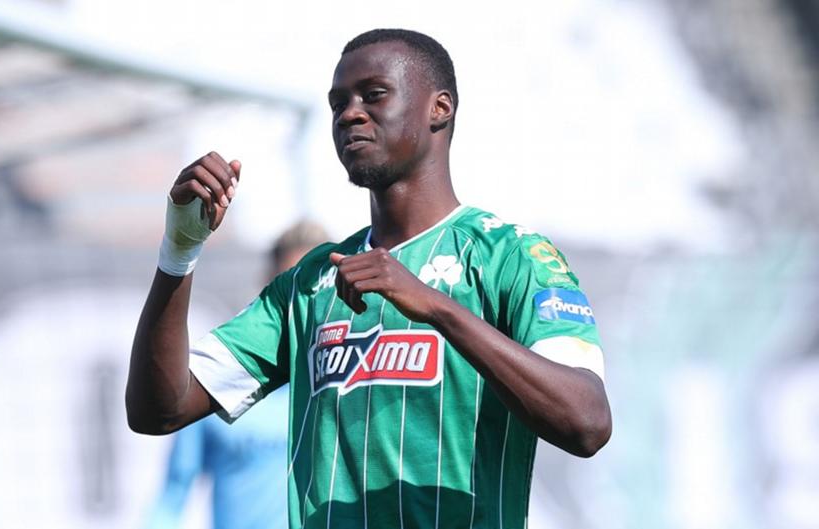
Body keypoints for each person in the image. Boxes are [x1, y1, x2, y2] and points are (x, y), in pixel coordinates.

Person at [127, 28, 612, 529]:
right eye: (338, 103)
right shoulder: (311, 281)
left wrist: (435, 306)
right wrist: (179, 252)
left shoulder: (512, 256)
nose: (349, 114)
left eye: (374, 95)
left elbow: (587, 422)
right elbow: (158, 411)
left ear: (439, 108)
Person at [142, 221, 329, 529]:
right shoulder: (221, 381)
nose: (303, 302)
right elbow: (174, 491)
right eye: (293, 286)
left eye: (315, 289)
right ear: (272, 287)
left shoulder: (349, 386)